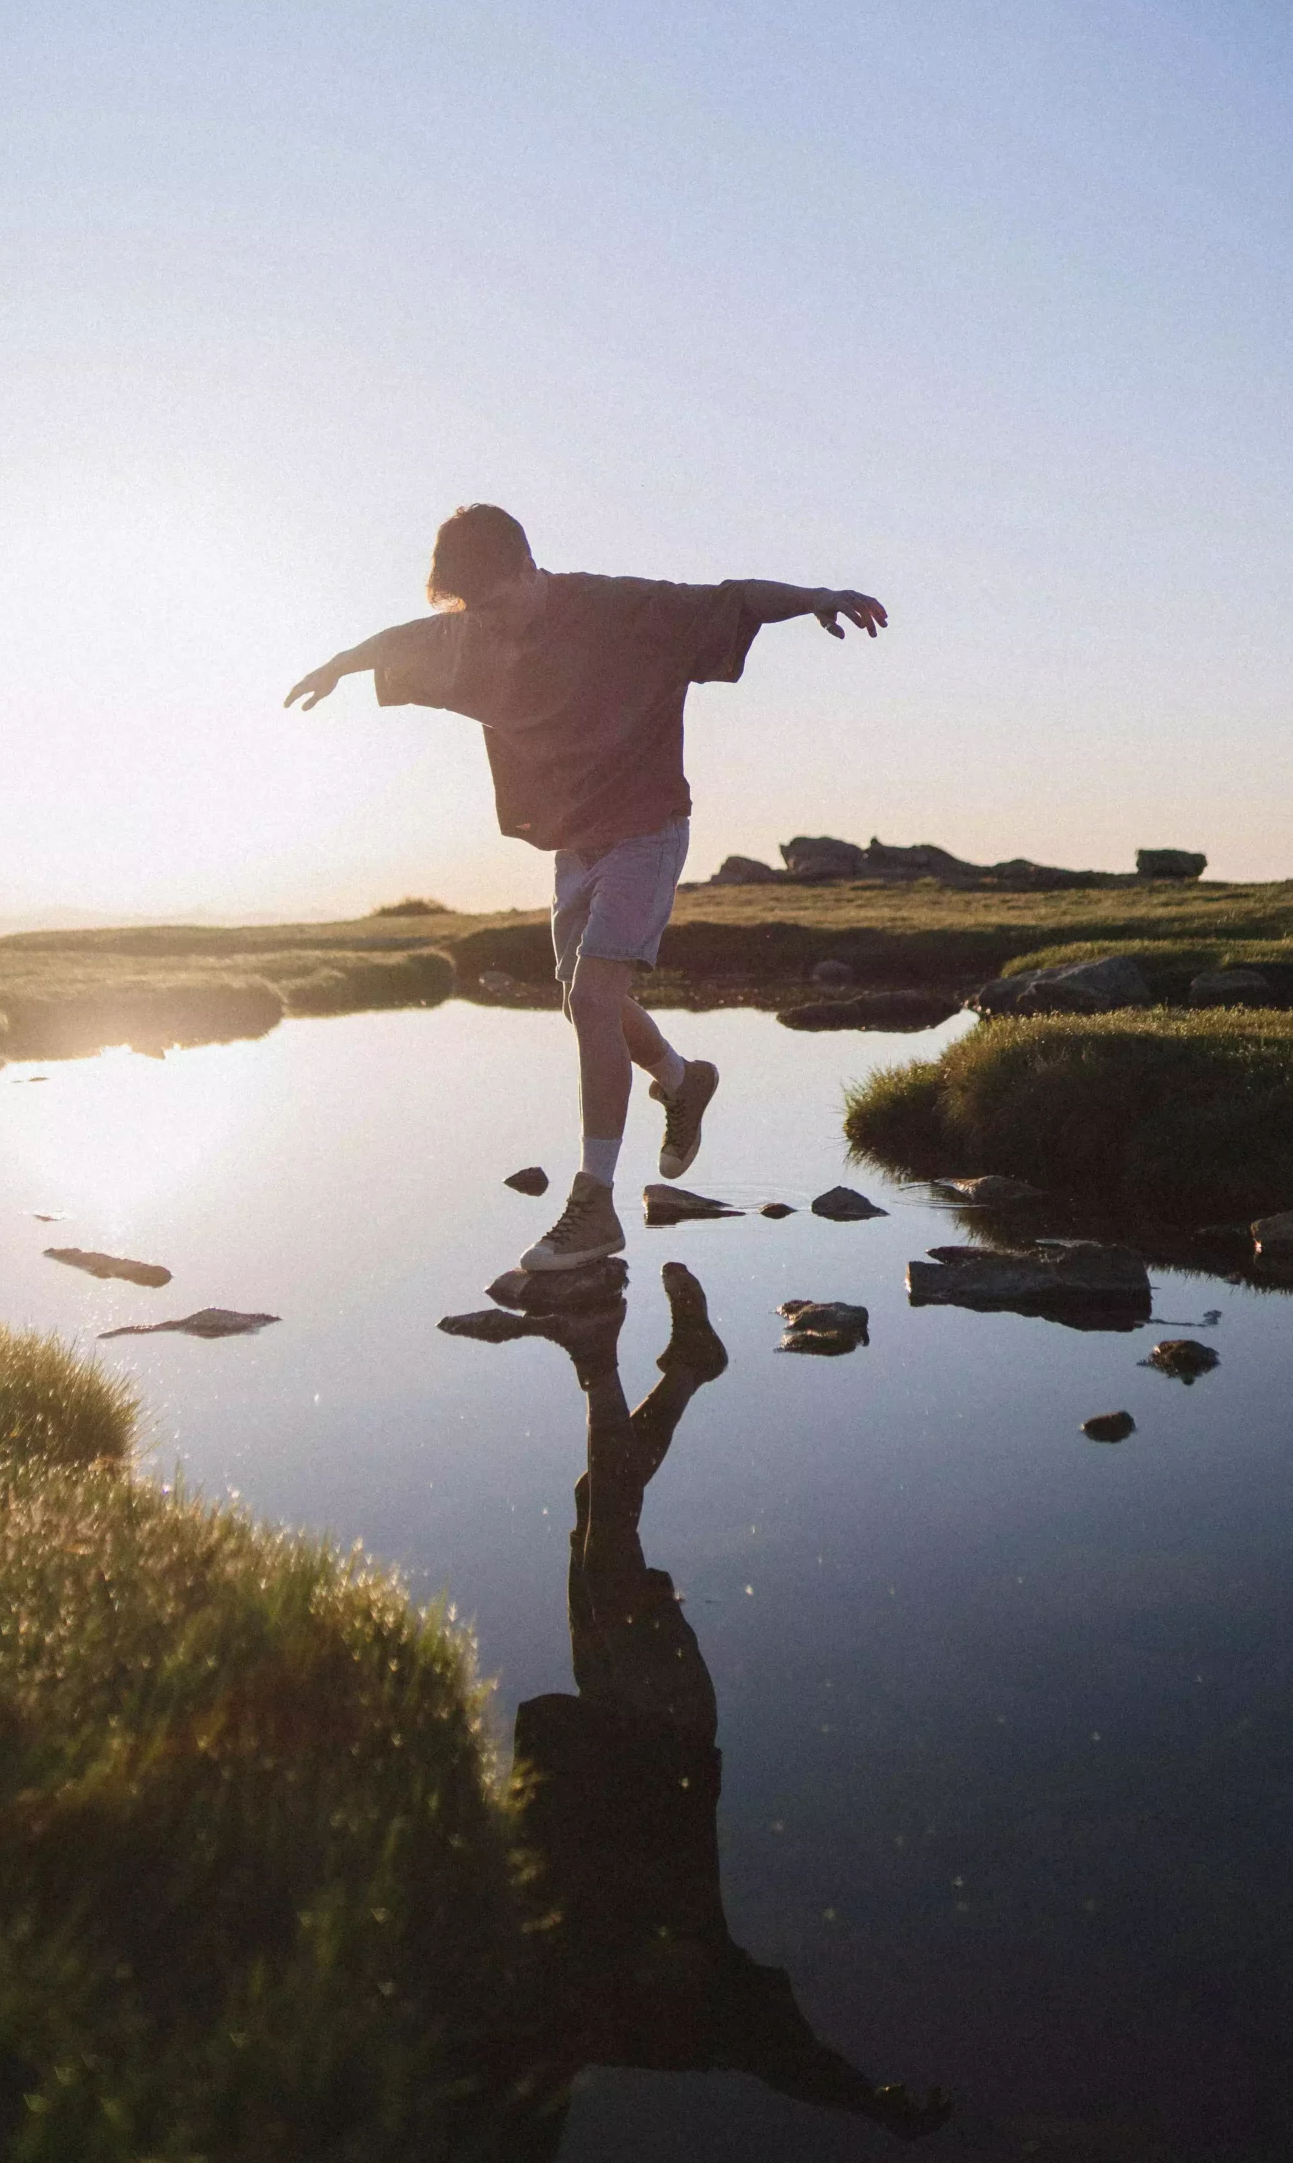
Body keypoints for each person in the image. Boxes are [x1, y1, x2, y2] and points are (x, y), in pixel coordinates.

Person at [283, 505, 886, 1269]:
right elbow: (400, 640)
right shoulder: (470, 631)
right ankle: (681, 1079)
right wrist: (339, 664)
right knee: (581, 1000)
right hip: (572, 843)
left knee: (596, 998)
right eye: (473, 611)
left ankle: (594, 1204)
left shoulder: (619, 610)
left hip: (645, 827)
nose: (488, 625)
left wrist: (817, 597)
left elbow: (730, 599)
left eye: (497, 604)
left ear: (528, 568)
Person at [445, 1263, 951, 2146]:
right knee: (609, 1525)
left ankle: (683, 1367)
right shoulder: (667, 2021)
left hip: (614, 1715)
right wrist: (870, 2102)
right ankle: (597, 1357)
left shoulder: (557, 1992)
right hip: (665, 1727)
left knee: (597, 1508)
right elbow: (777, 2058)